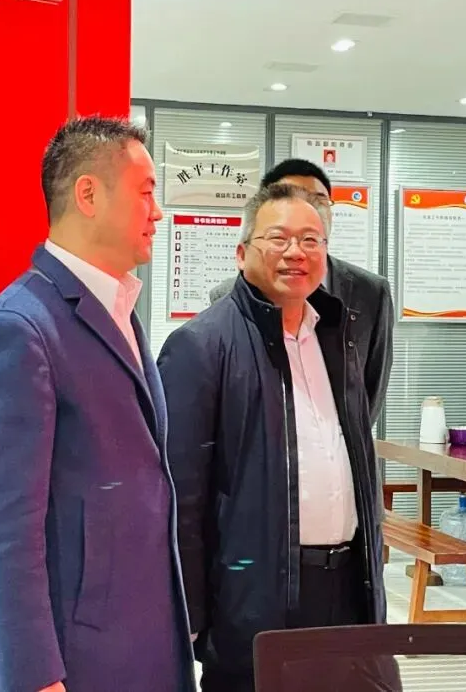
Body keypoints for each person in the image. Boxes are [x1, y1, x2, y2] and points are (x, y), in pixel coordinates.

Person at [0, 117, 194, 692]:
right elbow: (2, 528)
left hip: (145, 644)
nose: (158, 213)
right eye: (146, 192)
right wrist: (34, 676)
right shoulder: (20, 329)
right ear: (88, 194)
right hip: (74, 659)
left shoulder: (118, 309)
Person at [160, 183, 389, 692]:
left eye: (310, 240)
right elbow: (180, 497)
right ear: (242, 253)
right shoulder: (200, 345)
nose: (295, 253)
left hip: (349, 588)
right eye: (278, 238)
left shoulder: (338, 336)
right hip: (255, 598)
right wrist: (188, 616)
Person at [209, 158, 394, 424]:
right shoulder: (225, 298)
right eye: (292, 197)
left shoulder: (371, 292)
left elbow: (371, 391)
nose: (308, 208)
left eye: (318, 200)